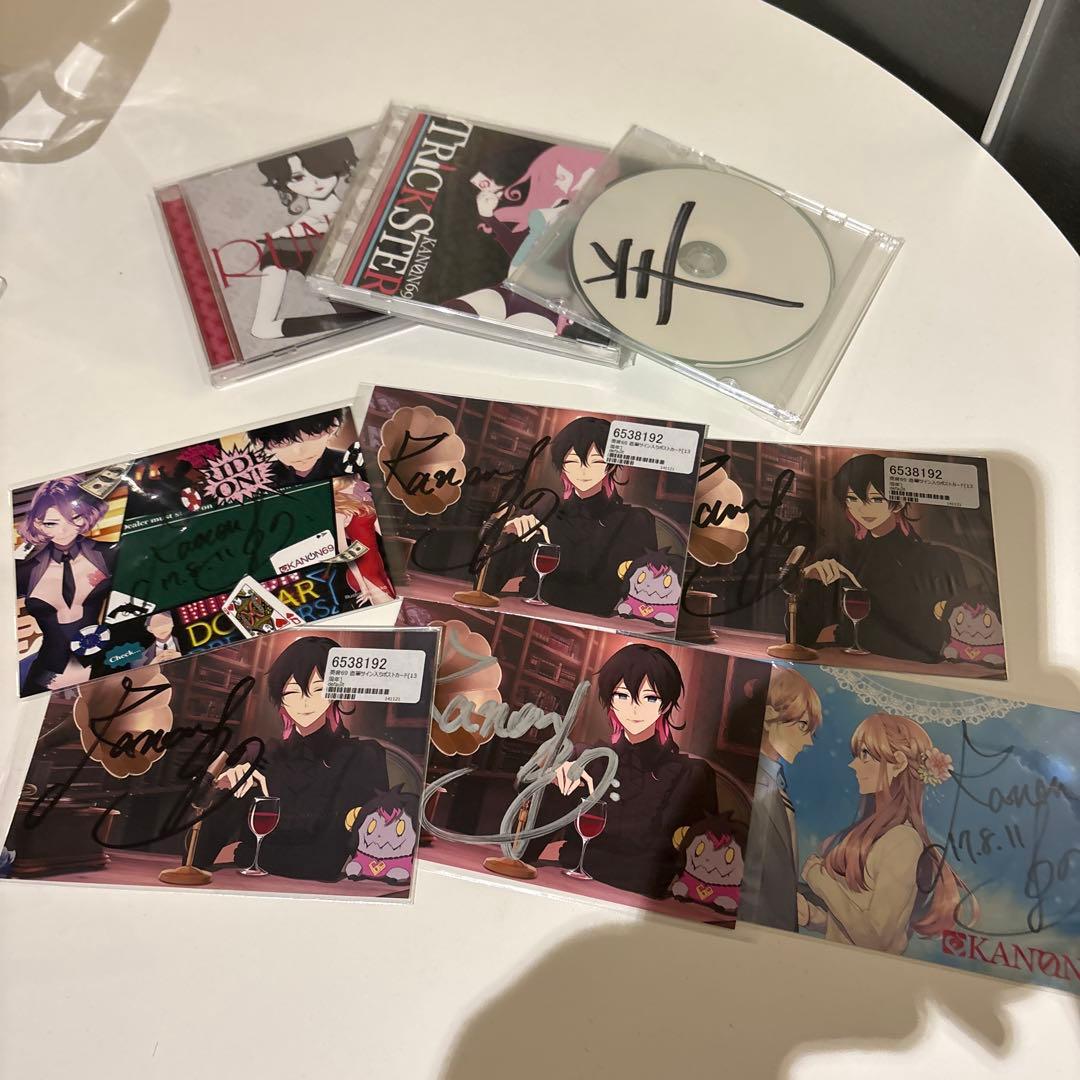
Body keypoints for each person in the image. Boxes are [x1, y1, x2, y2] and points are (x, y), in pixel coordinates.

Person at [526, 644, 717, 898]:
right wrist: (550, 783)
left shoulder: (692, 775)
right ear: (610, 700)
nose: (634, 708)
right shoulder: (584, 759)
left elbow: (706, 867)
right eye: (623, 696)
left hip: (638, 902)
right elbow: (525, 850)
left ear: (666, 704)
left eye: (650, 698)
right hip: (567, 888)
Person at [193, 636, 389, 881]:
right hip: (248, 883)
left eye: (318, 690)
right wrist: (221, 794)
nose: (304, 703)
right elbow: (196, 859)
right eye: (293, 692)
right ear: (280, 697)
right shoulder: (259, 754)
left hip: (317, 892)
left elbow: (327, 863)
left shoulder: (363, 757)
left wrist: (249, 853)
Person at [798, 712, 973, 954]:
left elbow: (878, 941)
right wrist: (813, 917)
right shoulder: (880, 835)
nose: (853, 765)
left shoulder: (903, 842)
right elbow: (857, 928)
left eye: (865, 754)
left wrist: (821, 881)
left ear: (898, 764)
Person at [483, 416, 660, 618]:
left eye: (595, 462)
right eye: (573, 462)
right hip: (526, 616)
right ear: (562, 465)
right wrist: (506, 533)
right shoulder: (544, 508)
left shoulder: (634, 522)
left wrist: (529, 586)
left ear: (611, 465)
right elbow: (487, 586)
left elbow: (602, 602)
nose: (583, 471)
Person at [796, 453, 964, 662]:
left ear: (898, 503)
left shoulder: (938, 560)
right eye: (852, 499)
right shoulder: (835, 556)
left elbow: (938, 641)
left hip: (911, 669)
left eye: (876, 499)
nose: (862, 508)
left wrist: (840, 633)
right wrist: (806, 581)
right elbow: (799, 639)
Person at [442, 144, 604, 333]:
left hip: (545, 306)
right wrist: (488, 216)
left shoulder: (588, 224)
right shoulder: (558, 204)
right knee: (447, 315)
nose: (559, 183)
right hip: (508, 290)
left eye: (564, 177)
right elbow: (519, 249)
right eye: (559, 176)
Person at [250, 138, 375, 341]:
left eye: (321, 170)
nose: (315, 182)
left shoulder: (374, 205)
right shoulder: (284, 242)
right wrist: (351, 322)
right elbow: (262, 328)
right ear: (283, 183)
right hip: (373, 334)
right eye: (298, 177)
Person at [16, 476, 116, 694]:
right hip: (46, 676)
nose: (63, 531)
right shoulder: (23, 571)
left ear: (88, 514)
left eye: (74, 518)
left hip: (105, 665)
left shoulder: (110, 555)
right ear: (37, 523)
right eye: (51, 523)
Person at [739, 668, 822, 931]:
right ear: (768, 718)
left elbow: (779, 875)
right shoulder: (754, 784)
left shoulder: (776, 781)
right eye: (802, 726)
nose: (809, 742)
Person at [332, 476, 396, 606]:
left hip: (378, 563)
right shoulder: (339, 513)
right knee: (389, 607)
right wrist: (362, 585)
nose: (355, 484)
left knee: (395, 603)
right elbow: (344, 551)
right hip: (363, 569)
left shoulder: (364, 503)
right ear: (339, 486)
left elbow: (383, 533)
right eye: (350, 483)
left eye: (354, 481)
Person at [248, 408, 345, 485]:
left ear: (333, 427)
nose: (298, 452)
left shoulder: (348, 463)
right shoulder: (257, 481)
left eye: (311, 435)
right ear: (260, 442)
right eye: (281, 442)